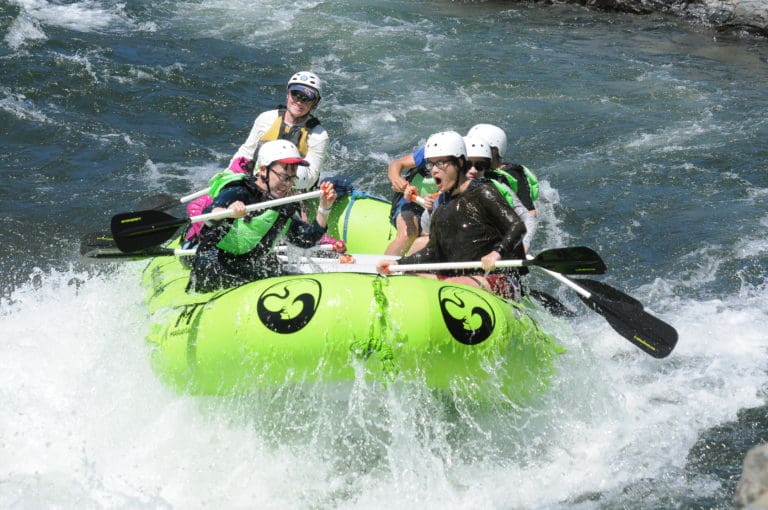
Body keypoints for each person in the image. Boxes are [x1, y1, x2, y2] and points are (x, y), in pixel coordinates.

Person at [377, 131, 527, 300]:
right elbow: (433, 251)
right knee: (407, 277)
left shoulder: (483, 192)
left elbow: (517, 226)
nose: (434, 170)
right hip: (457, 278)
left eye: (440, 163)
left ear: (460, 162)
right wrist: (398, 264)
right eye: (431, 165)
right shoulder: (441, 204)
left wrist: (496, 253)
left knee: (454, 285)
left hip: (497, 279)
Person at [184, 71, 329, 244]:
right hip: (256, 182)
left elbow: (310, 177)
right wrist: (228, 182)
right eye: (295, 94)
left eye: (307, 98)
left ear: (315, 102)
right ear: (288, 93)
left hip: (290, 191)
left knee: (290, 223)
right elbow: (245, 153)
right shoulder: (266, 119)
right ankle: (194, 239)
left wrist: (281, 178)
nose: (299, 101)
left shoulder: (319, 135)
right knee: (201, 205)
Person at [188, 140, 337, 293]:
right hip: (216, 266)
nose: (288, 184)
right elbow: (210, 214)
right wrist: (228, 210)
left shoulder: (284, 204)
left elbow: (306, 240)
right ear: (264, 170)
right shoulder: (240, 190)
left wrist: (324, 208)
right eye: (284, 176)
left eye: (292, 178)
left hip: (252, 266)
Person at [466, 123, 539, 253]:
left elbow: (530, 213)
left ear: (495, 150)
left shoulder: (511, 174)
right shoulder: (473, 173)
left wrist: (523, 242)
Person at [383, 144, 437, 256]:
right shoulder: (429, 152)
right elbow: (397, 164)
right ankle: (385, 268)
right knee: (408, 234)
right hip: (411, 200)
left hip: (436, 205)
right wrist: (396, 179)